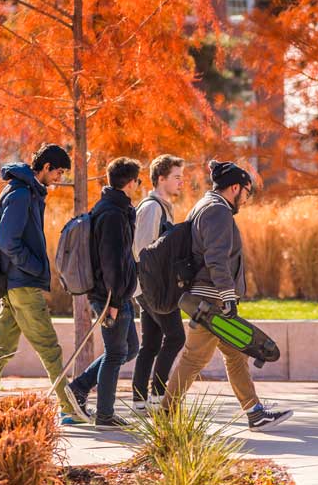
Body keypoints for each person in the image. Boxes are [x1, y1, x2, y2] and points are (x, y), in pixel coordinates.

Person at [162, 160, 293, 432]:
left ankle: (254, 411)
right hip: (212, 300)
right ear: (235, 188)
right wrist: (228, 295)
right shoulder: (218, 211)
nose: (246, 199)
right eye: (247, 192)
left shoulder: (203, 206)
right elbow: (216, 258)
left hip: (207, 296)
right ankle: (165, 414)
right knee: (194, 359)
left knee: (235, 354)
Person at [0, 144, 83, 426]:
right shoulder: (21, 194)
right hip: (23, 284)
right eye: (57, 171)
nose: (59, 177)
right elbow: (8, 241)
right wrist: (34, 265)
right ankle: (69, 409)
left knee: (0, 350)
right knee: (49, 348)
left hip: (14, 284)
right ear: (45, 167)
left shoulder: (23, 190)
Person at [65, 157, 142, 430]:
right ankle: (105, 415)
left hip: (118, 293)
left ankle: (80, 387)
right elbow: (111, 261)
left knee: (130, 348)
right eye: (138, 181)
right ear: (131, 182)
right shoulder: (111, 213)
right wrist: (114, 302)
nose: (138, 186)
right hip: (111, 295)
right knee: (115, 352)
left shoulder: (115, 208)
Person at [131, 155, 186, 411]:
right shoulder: (152, 208)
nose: (181, 182)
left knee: (151, 343)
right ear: (161, 178)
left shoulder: (162, 207)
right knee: (175, 337)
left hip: (149, 288)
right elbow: (142, 249)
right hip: (154, 289)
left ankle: (140, 400)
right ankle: (157, 397)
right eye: (176, 177)